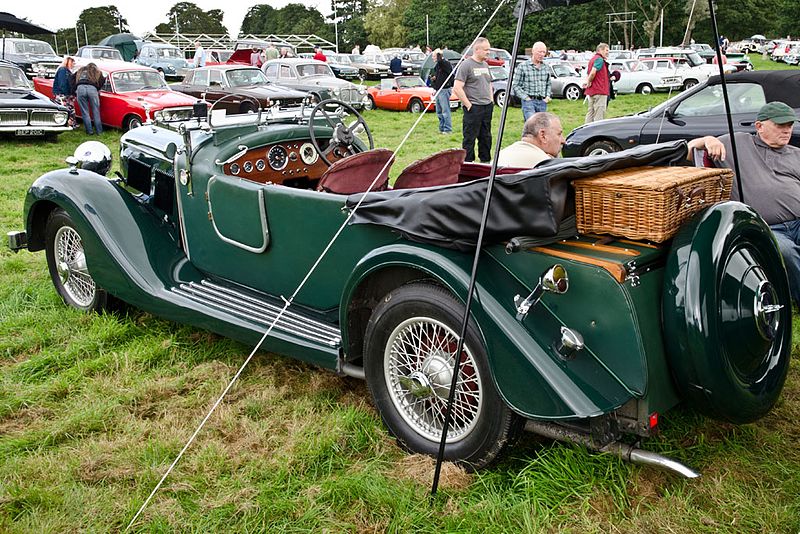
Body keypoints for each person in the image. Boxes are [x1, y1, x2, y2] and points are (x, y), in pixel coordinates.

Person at [688, 101, 800, 308]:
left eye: (790, 125)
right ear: (759, 126)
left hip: (798, 221)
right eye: (780, 125)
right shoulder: (737, 143)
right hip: (765, 225)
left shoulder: (796, 154)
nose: (787, 130)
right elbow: (689, 150)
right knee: (786, 251)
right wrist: (707, 139)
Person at [453, 37, 494, 163]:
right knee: (470, 138)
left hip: (487, 107)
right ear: (477, 49)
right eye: (486, 50)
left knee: (486, 137)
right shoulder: (466, 65)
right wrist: (469, 105)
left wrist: (491, 100)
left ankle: (486, 163)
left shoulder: (486, 65)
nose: (488, 52)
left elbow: (489, 84)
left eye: (489, 49)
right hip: (474, 108)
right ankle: (468, 164)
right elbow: (457, 87)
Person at [497, 112, 565, 168]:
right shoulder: (545, 165)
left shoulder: (499, 157)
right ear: (543, 135)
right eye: (559, 134)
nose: (563, 141)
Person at [510, 41, 551, 122]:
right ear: (533, 51)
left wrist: (547, 96)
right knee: (531, 125)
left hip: (542, 102)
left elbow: (548, 83)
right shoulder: (523, 66)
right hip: (529, 102)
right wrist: (526, 98)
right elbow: (516, 85)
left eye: (544, 52)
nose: (542, 54)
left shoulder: (546, 67)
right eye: (540, 52)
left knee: (541, 127)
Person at [74, 62, 105, 135]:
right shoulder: (97, 72)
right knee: (96, 111)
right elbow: (102, 81)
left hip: (80, 88)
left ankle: (89, 131)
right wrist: (98, 88)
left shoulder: (80, 70)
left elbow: (72, 78)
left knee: (85, 112)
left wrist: (75, 88)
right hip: (92, 89)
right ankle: (99, 132)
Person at [583, 42, 610, 123]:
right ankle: (597, 133)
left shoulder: (592, 59)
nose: (607, 52)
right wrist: (589, 81)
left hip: (592, 90)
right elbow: (593, 72)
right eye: (606, 50)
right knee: (599, 114)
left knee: (590, 113)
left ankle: (586, 130)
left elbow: (589, 73)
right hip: (599, 91)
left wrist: (588, 81)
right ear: (600, 50)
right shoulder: (599, 59)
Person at [430, 49, 454, 134]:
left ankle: (448, 129)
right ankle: (442, 128)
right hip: (438, 90)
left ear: (439, 56)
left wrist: (439, 54)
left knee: (445, 111)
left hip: (444, 90)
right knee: (439, 111)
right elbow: (437, 75)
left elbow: (441, 62)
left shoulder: (445, 63)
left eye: (434, 56)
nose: (432, 58)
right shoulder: (437, 65)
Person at [52, 56, 77, 128]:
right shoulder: (63, 70)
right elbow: (62, 83)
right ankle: (65, 123)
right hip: (63, 94)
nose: (73, 64)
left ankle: (71, 123)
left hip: (67, 94)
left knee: (70, 109)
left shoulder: (66, 71)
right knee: (65, 109)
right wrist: (66, 93)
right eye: (72, 62)